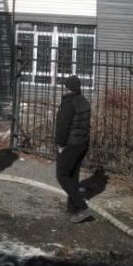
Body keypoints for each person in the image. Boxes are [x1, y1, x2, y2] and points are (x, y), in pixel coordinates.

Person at [55, 75, 93, 223]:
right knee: (73, 176)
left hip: (71, 144)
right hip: (82, 143)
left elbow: (63, 126)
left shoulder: (68, 103)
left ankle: (83, 208)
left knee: (62, 175)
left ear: (67, 88)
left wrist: (60, 144)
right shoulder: (84, 101)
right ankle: (73, 208)